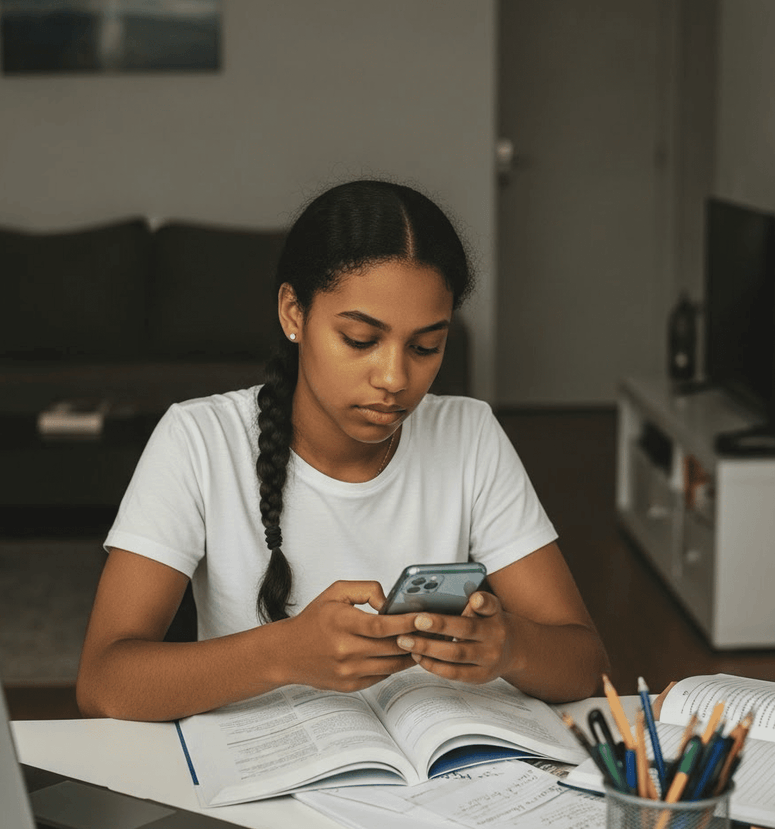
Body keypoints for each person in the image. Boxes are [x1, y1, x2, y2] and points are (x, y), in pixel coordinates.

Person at [77, 179, 609, 722]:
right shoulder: (198, 439)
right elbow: (104, 681)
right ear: (293, 313)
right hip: (258, 776)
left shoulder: (469, 434)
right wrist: (282, 654)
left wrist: (510, 646)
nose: (395, 378)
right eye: (360, 340)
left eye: (427, 346)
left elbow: (584, 663)